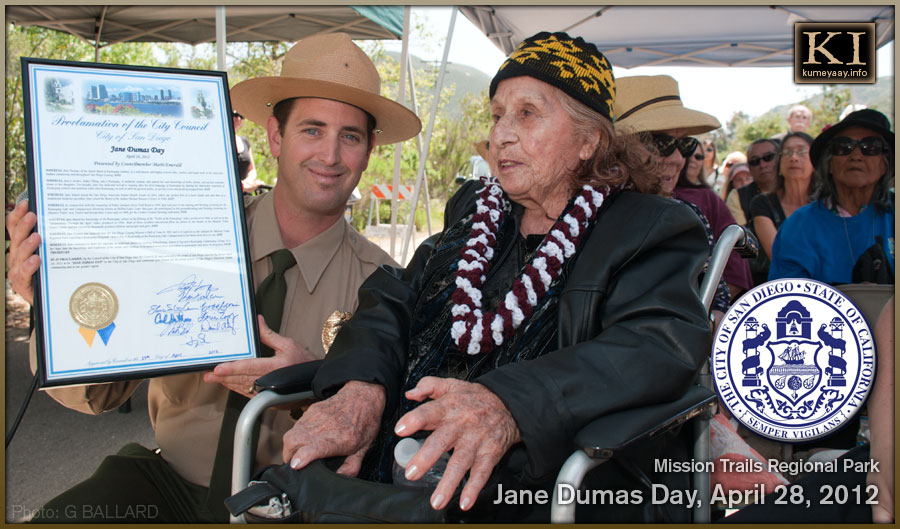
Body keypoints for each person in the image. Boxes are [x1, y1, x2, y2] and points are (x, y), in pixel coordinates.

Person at [278, 32, 711, 522]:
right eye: (498, 114)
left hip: (534, 494)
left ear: (590, 140)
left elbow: (656, 346)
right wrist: (360, 385)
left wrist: (508, 404)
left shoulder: (648, 226)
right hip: (402, 478)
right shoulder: (475, 208)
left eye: (527, 113)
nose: (502, 133)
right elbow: (394, 297)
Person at [4, 33, 421, 523]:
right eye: (312, 129)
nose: (330, 155)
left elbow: (396, 443)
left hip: (300, 505)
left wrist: (314, 385)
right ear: (274, 136)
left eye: (349, 136)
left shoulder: (386, 287)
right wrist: (55, 308)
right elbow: (96, 396)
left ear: (369, 149)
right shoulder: (180, 237)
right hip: (169, 490)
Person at [614, 75, 752, 301]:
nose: (678, 159)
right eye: (662, 144)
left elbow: (717, 300)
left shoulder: (689, 215)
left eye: (684, 144)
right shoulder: (580, 217)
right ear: (616, 148)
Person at [768, 108, 894, 284]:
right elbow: (789, 301)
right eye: (844, 147)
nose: (856, 155)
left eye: (871, 147)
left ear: (884, 165)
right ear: (829, 165)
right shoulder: (798, 227)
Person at [750, 132, 815, 260]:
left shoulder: (827, 203)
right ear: (779, 164)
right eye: (787, 152)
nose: (794, 158)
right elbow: (778, 256)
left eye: (801, 151)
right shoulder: (762, 203)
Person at [726, 138, 780, 226]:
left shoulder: (797, 188)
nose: (762, 165)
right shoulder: (738, 196)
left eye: (768, 157)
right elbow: (743, 235)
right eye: (755, 161)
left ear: (780, 159)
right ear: (749, 168)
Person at [232, 109, 265, 193]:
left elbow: (252, 170)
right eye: (235, 114)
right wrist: (241, 186)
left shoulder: (245, 141)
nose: (238, 119)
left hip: (245, 194)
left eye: (241, 116)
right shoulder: (220, 142)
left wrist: (247, 183)